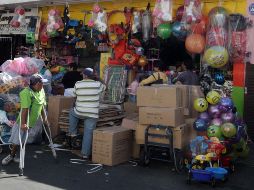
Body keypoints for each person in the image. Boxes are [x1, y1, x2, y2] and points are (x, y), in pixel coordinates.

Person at [2, 75, 48, 165]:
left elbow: (42, 105)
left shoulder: (41, 91)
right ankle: (11, 155)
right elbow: (25, 109)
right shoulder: (26, 93)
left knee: (23, 140)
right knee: (16, 141)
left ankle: (17, 155)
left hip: (31, 121)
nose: (43, 85)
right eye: (42, 83)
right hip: (23, 121)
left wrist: (44, 117)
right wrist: (23, 123)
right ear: (37, 84)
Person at [68, 68, 106, 159]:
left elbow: (73, 96)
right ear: (93, 76)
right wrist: (98, 78)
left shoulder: (78, 84)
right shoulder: (98, 84)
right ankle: (85, 154)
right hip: (92, 114)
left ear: (84, 75)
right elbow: (106, 87)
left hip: (79, 111)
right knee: (88, 133)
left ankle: (72, 133)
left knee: (71, 111)